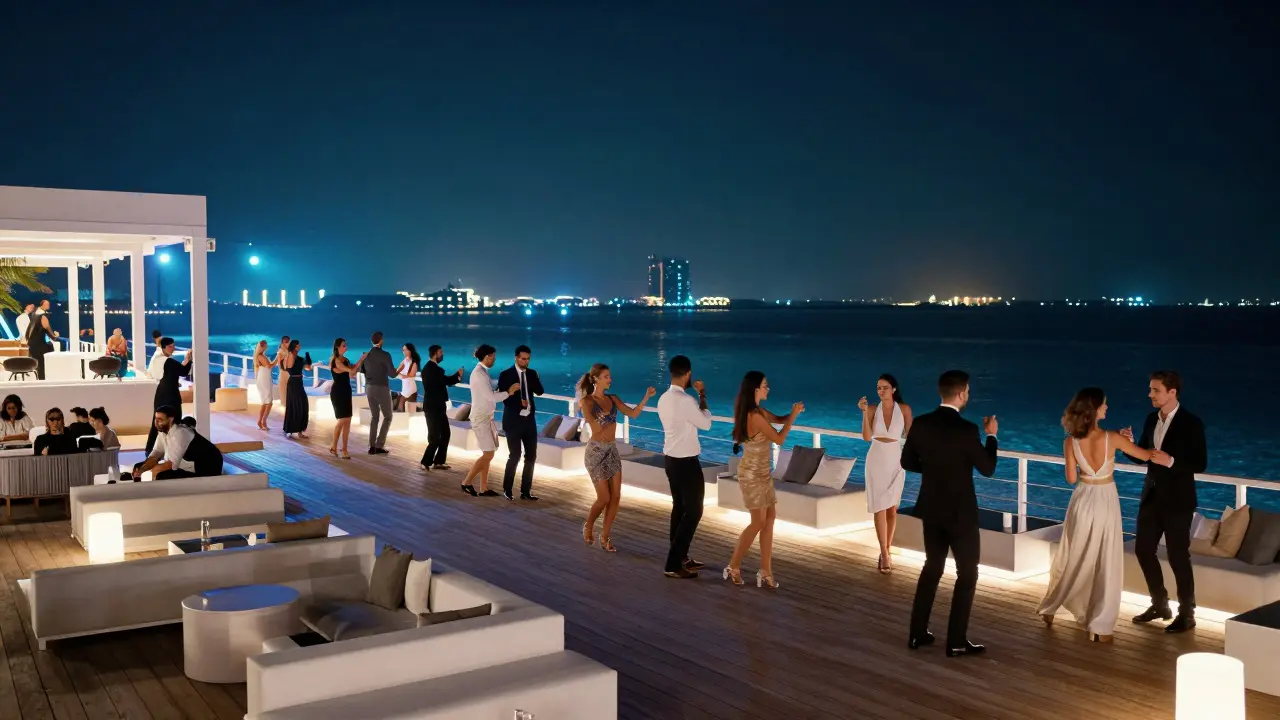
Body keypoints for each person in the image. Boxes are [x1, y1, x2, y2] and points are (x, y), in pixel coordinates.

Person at [1037, 388, 1151, 642]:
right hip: (1106, 500)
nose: (1107, 408)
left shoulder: (1069, 441)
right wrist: (1128, 443)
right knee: (1106, 559)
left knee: (1076, 556)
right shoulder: (1113, 438)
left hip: (1082, 500)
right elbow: (1144, 456)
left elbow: (1070, 479)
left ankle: (1051, 606)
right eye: (1104, 405)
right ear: (1095, 410)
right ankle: (1100, 626)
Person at [901, 370, 998, 657]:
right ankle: (956, 641)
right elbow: (988, 468)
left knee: (932, 568)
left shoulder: (920, 424)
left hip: (931, 508)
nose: (968, 395)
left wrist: (933, 469)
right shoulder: (967, 430)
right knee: (967, 575)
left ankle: (917, 634)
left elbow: (907, 461)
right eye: (967, 391)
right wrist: (992, 436)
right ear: (961, 394)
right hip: (961, 513)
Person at [1121, 370, 1207, 634]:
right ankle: (1160, 604)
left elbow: (1200, 464)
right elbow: (1146, 457)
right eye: (1151, 389)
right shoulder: (1150, 419)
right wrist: (1130, 446)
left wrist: (1170, 461)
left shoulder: (1192, 423)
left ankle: (1187, 613)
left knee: (1179, 556)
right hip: (1151, 498)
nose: (1150, 394)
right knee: (1143, 550)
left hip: (1179, 501)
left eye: (1155, 390)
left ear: (1172, 392)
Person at [723, 371, 803, 589]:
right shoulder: (754, 416)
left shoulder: (759, 412)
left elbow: (778, 420)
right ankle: (733, 566)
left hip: (763, 473)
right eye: (765, 385)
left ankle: (766, 570)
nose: (768, 388)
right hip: (751, 475)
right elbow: (779, 438)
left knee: (769, 520)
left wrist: (793, 413)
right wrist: (794, 417)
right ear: (755, 389)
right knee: (758, 521)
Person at [577, 364, 656, 552]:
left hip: (612, 450)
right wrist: (599, 416)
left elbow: (633, 414)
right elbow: (595, 429)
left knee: (616, 497)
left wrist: (646, 397)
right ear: (595, 379)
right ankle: (588, 525)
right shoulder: (587, 402)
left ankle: (605, 537)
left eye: (610, 377)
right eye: (606, 377)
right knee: (603, 497)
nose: (610, 380)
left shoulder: (613, 398)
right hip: (595, 452)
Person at [658, 355, 713, 579]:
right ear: (688, 374)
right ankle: (672, 564)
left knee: (679, 509)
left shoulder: (663, 398)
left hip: (670, 459)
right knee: (694, 511)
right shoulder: (686, 401)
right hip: (686, 462)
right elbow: (707, 423)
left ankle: (680, 556)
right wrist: (702, 395)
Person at [859, 374, 913, 573]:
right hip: (876, 459)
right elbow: (866, 437)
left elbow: (911, 437)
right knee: (879, 507)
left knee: (892, 508)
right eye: (878, 388)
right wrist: (864, 413)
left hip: (896, 460)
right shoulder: (873, 409)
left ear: (894, 389)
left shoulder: (905, 410)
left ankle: (887, 550)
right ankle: (884, 553)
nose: (881, 391)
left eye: (885, 387)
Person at [460, 344, 520, 497]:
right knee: (488, 454)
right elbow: (491, 397)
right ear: (486, 356)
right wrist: (509, 392)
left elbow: (489, 394)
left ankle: (484, 488)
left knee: (489, 452)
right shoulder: (479, 374)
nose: (494, 359)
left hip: (486, 417)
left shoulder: (482, 373)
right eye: (492, 356)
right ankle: (466, 483)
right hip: (481, 418)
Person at [498, 345, 545, 501]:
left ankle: (526, 491)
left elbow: (540, 391)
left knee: (531, 456)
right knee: (515, 455)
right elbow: (503, 398)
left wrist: (532, 378)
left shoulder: (532, 374)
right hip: (513, 421)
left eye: (528, 359)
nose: (526, 361)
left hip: (529, 421)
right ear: (516, 358)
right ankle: (507, 489)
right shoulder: (505, 374)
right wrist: (518, 402)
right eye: (523, 358)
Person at [129, 406, 224, 480]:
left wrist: (146, 475)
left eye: (160, 420)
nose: (156, 423)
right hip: (190, 466)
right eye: (156, 419)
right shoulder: (163, 433)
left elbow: (169, 465)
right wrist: (141, 470)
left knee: (163, 476)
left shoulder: (180, 433)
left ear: (170, 420)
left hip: (207, 469)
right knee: (138, 466)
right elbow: (155, 456)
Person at [419, 345, 464, 471]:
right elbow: (446, 381)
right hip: (434, 406)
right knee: (435, 436)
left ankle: (439, 461)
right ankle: (426, 461)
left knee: (445, 433)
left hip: (437, 405)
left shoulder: (430, 369)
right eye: (440, 352)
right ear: (435, 354)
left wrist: (456, 377)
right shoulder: (433, 369)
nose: (442, 355)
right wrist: (458, 376)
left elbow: (444, 381)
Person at [146, 337, 192, 454]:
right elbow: (183, 371)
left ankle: (150, 449)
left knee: (156, 422)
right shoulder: (168, 361)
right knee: (175, 421)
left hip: (160, 392)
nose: (173, 348)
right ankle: (174, 449)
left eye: (173, 346)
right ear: (164, 347)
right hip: (170, 394)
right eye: (170, 346)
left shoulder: (156, 359)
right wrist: (189, 359)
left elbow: (164, 373)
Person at [328, 338, 365, 459]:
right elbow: (350, 370)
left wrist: (358, 365)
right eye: (343, 345)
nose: (346, 347)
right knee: (342, 419)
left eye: (346, 345)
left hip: (346, 390)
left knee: (348, 420)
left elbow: (352, 374)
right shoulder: (335, 360)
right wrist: (361, 359)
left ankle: (344, 449)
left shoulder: (346, 360)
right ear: (337, 347)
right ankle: (333, 445)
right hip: (338, 392)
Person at [360, 332, 397, 455]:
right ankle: (379, 445)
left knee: (374, 417)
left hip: (369, 387)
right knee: (388, 416)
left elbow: (362, 370)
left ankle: (372, 446)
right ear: (381, 341)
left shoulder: (366, 355)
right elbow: (393, 374)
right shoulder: (385, 355)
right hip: (381, 387)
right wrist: (401, 368)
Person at [282, 339, 313, 439]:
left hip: (299, 382)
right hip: (293, 382)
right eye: (298, 345)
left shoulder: (299, 358)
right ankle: (289, 429)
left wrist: (307, 358)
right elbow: (288, 367)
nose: (300, 346)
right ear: (295, 346)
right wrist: (299, 359)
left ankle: (300, 430)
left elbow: (309, 368)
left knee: (303, 405)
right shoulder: (290, 356)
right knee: (294, 405)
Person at [25, 299, 58, 379]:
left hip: (32, 344)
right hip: (37, 344)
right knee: (42, 363)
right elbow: (47, 328)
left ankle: (41, 379)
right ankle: (42, 380)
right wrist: (55, 336)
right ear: (42, 305)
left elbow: (29, 331)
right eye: (47, 304)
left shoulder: (34, 315)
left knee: (39, 364)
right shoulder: (42, 316)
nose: (48, 305)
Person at [252, 340, 275, 430]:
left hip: (264, 378)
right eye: (266, 345)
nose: (267, 346)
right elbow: (269, 366)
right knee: (268, 402)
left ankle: (260, 421)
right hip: (264, 379)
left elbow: (268, 366)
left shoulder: (260, 356)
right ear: (263, 346)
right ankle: (263, 422)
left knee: (265, 402)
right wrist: (278, 357)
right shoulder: (261, 356)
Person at [395, 343, 421, 412]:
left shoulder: (414, 362)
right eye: (403, 350)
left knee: (404, 410)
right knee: (403, 410)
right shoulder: (405, 360)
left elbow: (411, 375)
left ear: (410, 350)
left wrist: (399, 375)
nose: (404, 352)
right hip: (405, 388)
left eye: (405, 350)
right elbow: (397, 371)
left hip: (410, 389)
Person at [273, 335, 291, 402]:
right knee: (283, 388)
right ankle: (284, 403)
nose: (288, 343)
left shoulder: (287, 350)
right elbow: (279, 364)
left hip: (287, 371)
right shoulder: (281, 351)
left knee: (287, 388)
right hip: (284, 371)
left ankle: (287, 402)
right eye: (287, 342)